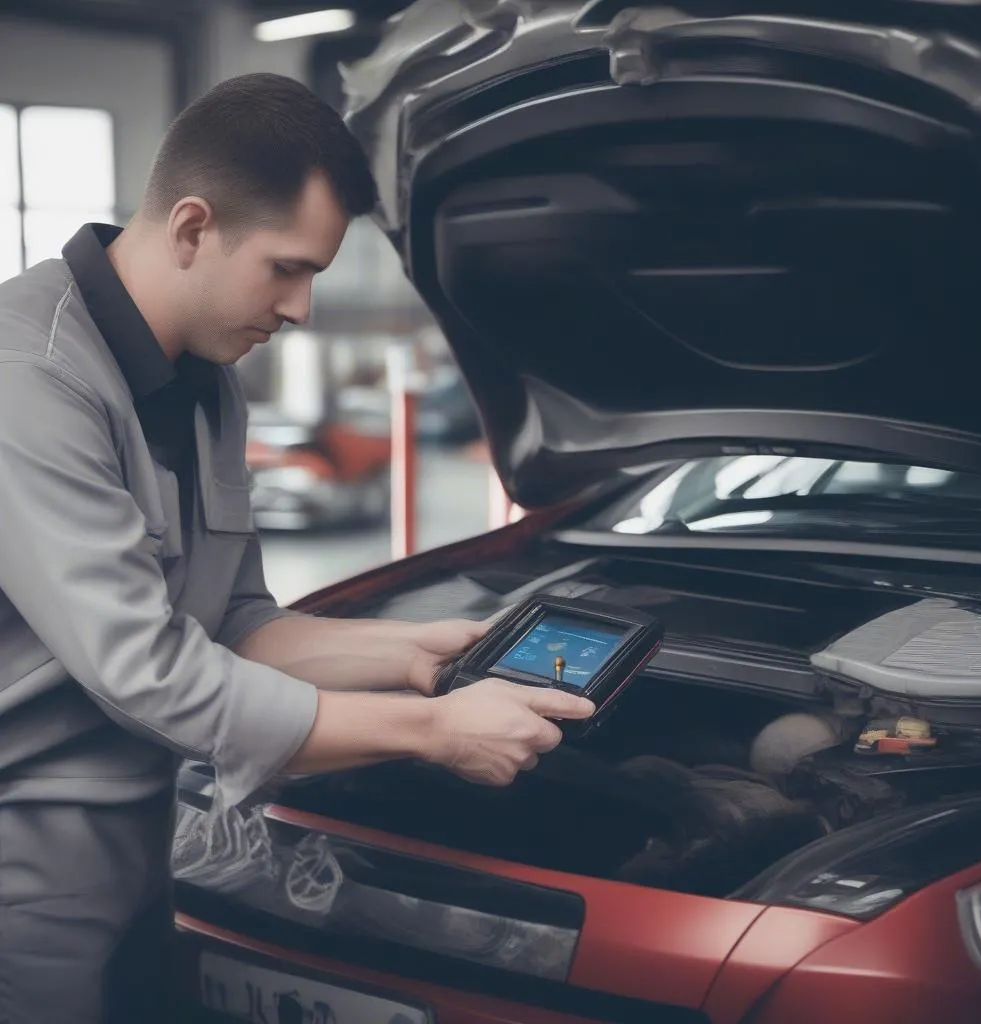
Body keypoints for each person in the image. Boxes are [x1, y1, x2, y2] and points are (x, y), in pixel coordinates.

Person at [0, 72, 594, 1024]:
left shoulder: (206, 378)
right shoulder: (27, 377)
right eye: (288, 268)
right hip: (22, 851)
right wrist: (435, 732)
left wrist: (414, 654)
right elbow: (149, 672)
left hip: (150, 831)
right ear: (193, 229)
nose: (303, 309)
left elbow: (232, 622)